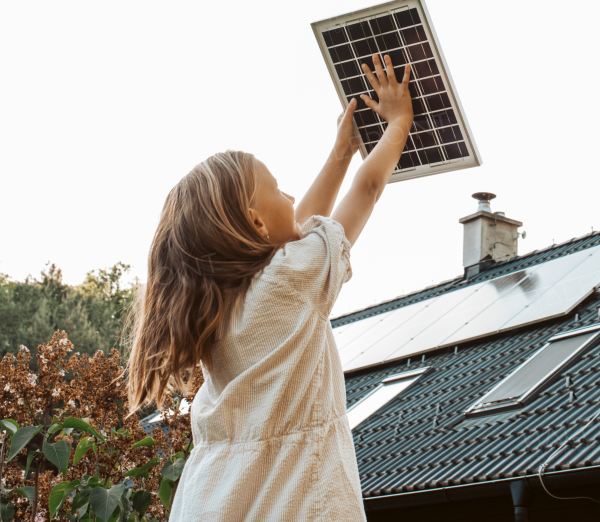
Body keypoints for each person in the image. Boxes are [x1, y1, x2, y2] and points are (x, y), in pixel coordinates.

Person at [126, 53, 412, 521]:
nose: (293, 198)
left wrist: (341, 152)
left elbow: (298, 232)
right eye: (279, 189)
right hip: (295, 501)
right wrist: (398, 122)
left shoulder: (220, 304)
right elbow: (367, 189)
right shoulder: (288, 282)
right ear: (255, 222)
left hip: (212, 499)